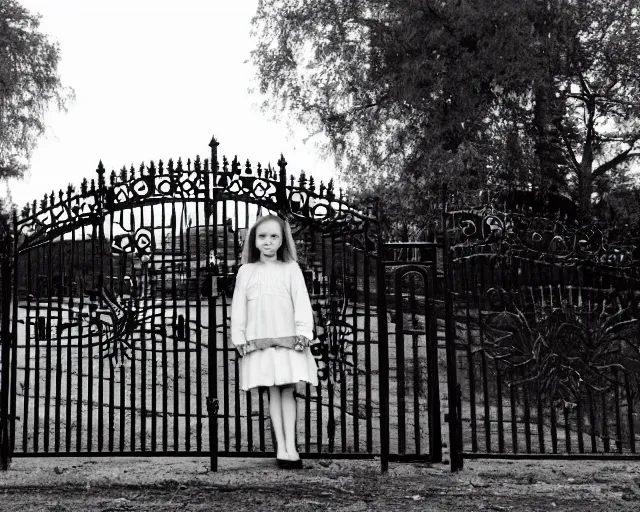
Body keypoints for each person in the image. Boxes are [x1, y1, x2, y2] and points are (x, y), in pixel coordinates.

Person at [231, 215, 318, 469]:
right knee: (272, 390)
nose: (268, 242)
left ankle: (292, 446)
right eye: (262, 237)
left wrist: (304, 333)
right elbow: (238, 308)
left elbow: (301, 301)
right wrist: (240, 337)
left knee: (288, 389)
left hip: (289, 338)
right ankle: (282, 447)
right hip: (260, 339)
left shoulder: (291, 268)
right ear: (254, 241)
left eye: (274, 237)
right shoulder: (246, 271)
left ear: (282, 240)